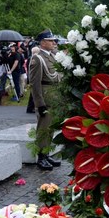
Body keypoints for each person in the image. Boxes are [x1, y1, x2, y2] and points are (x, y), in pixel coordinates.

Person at [29, 29, 62, 170]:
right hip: (45, 97)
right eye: (50, 40)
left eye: (54, 40)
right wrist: (39, 103)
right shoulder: (37, 58)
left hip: (54, 97)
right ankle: (41, 158)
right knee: (43, 128)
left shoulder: (53, 56)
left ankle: (47, 153)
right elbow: (35, 83)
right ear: (42, 43)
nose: (53, 42)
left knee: (50, 128)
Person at [26, 46, 40, 113]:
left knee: (32, 94)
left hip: (31, 77)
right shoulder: (34, 59)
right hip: (33, 78)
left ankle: (31, 107)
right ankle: (30, 108)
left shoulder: (30, 58)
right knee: (33, 94)